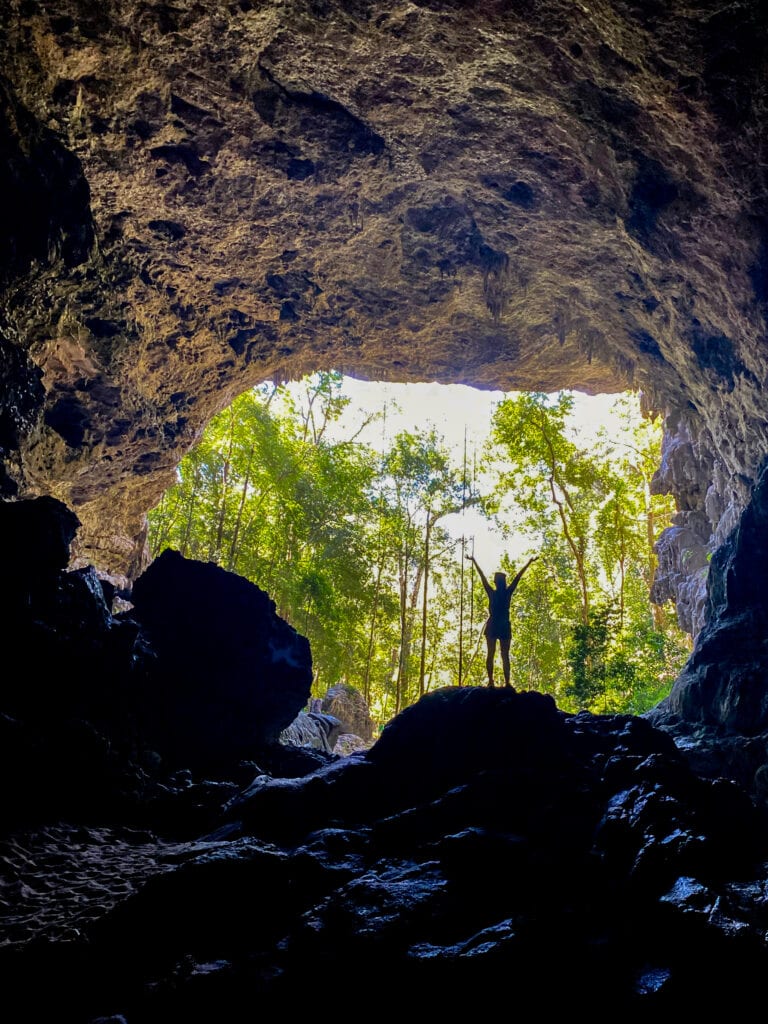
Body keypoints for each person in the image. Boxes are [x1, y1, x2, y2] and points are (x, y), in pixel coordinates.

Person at [467, 553, 538, 689]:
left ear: (496, 582)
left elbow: (484, 577)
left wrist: (474, 561)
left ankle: (497, 681)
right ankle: (498, 682)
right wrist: (529, 563)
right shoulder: (505, 592)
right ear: (502, 582)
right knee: (500, 654)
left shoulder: (496, 592)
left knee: (496, 654)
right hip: (499, 625)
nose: (501, 583)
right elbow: (517, 577)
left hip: (497, 625)